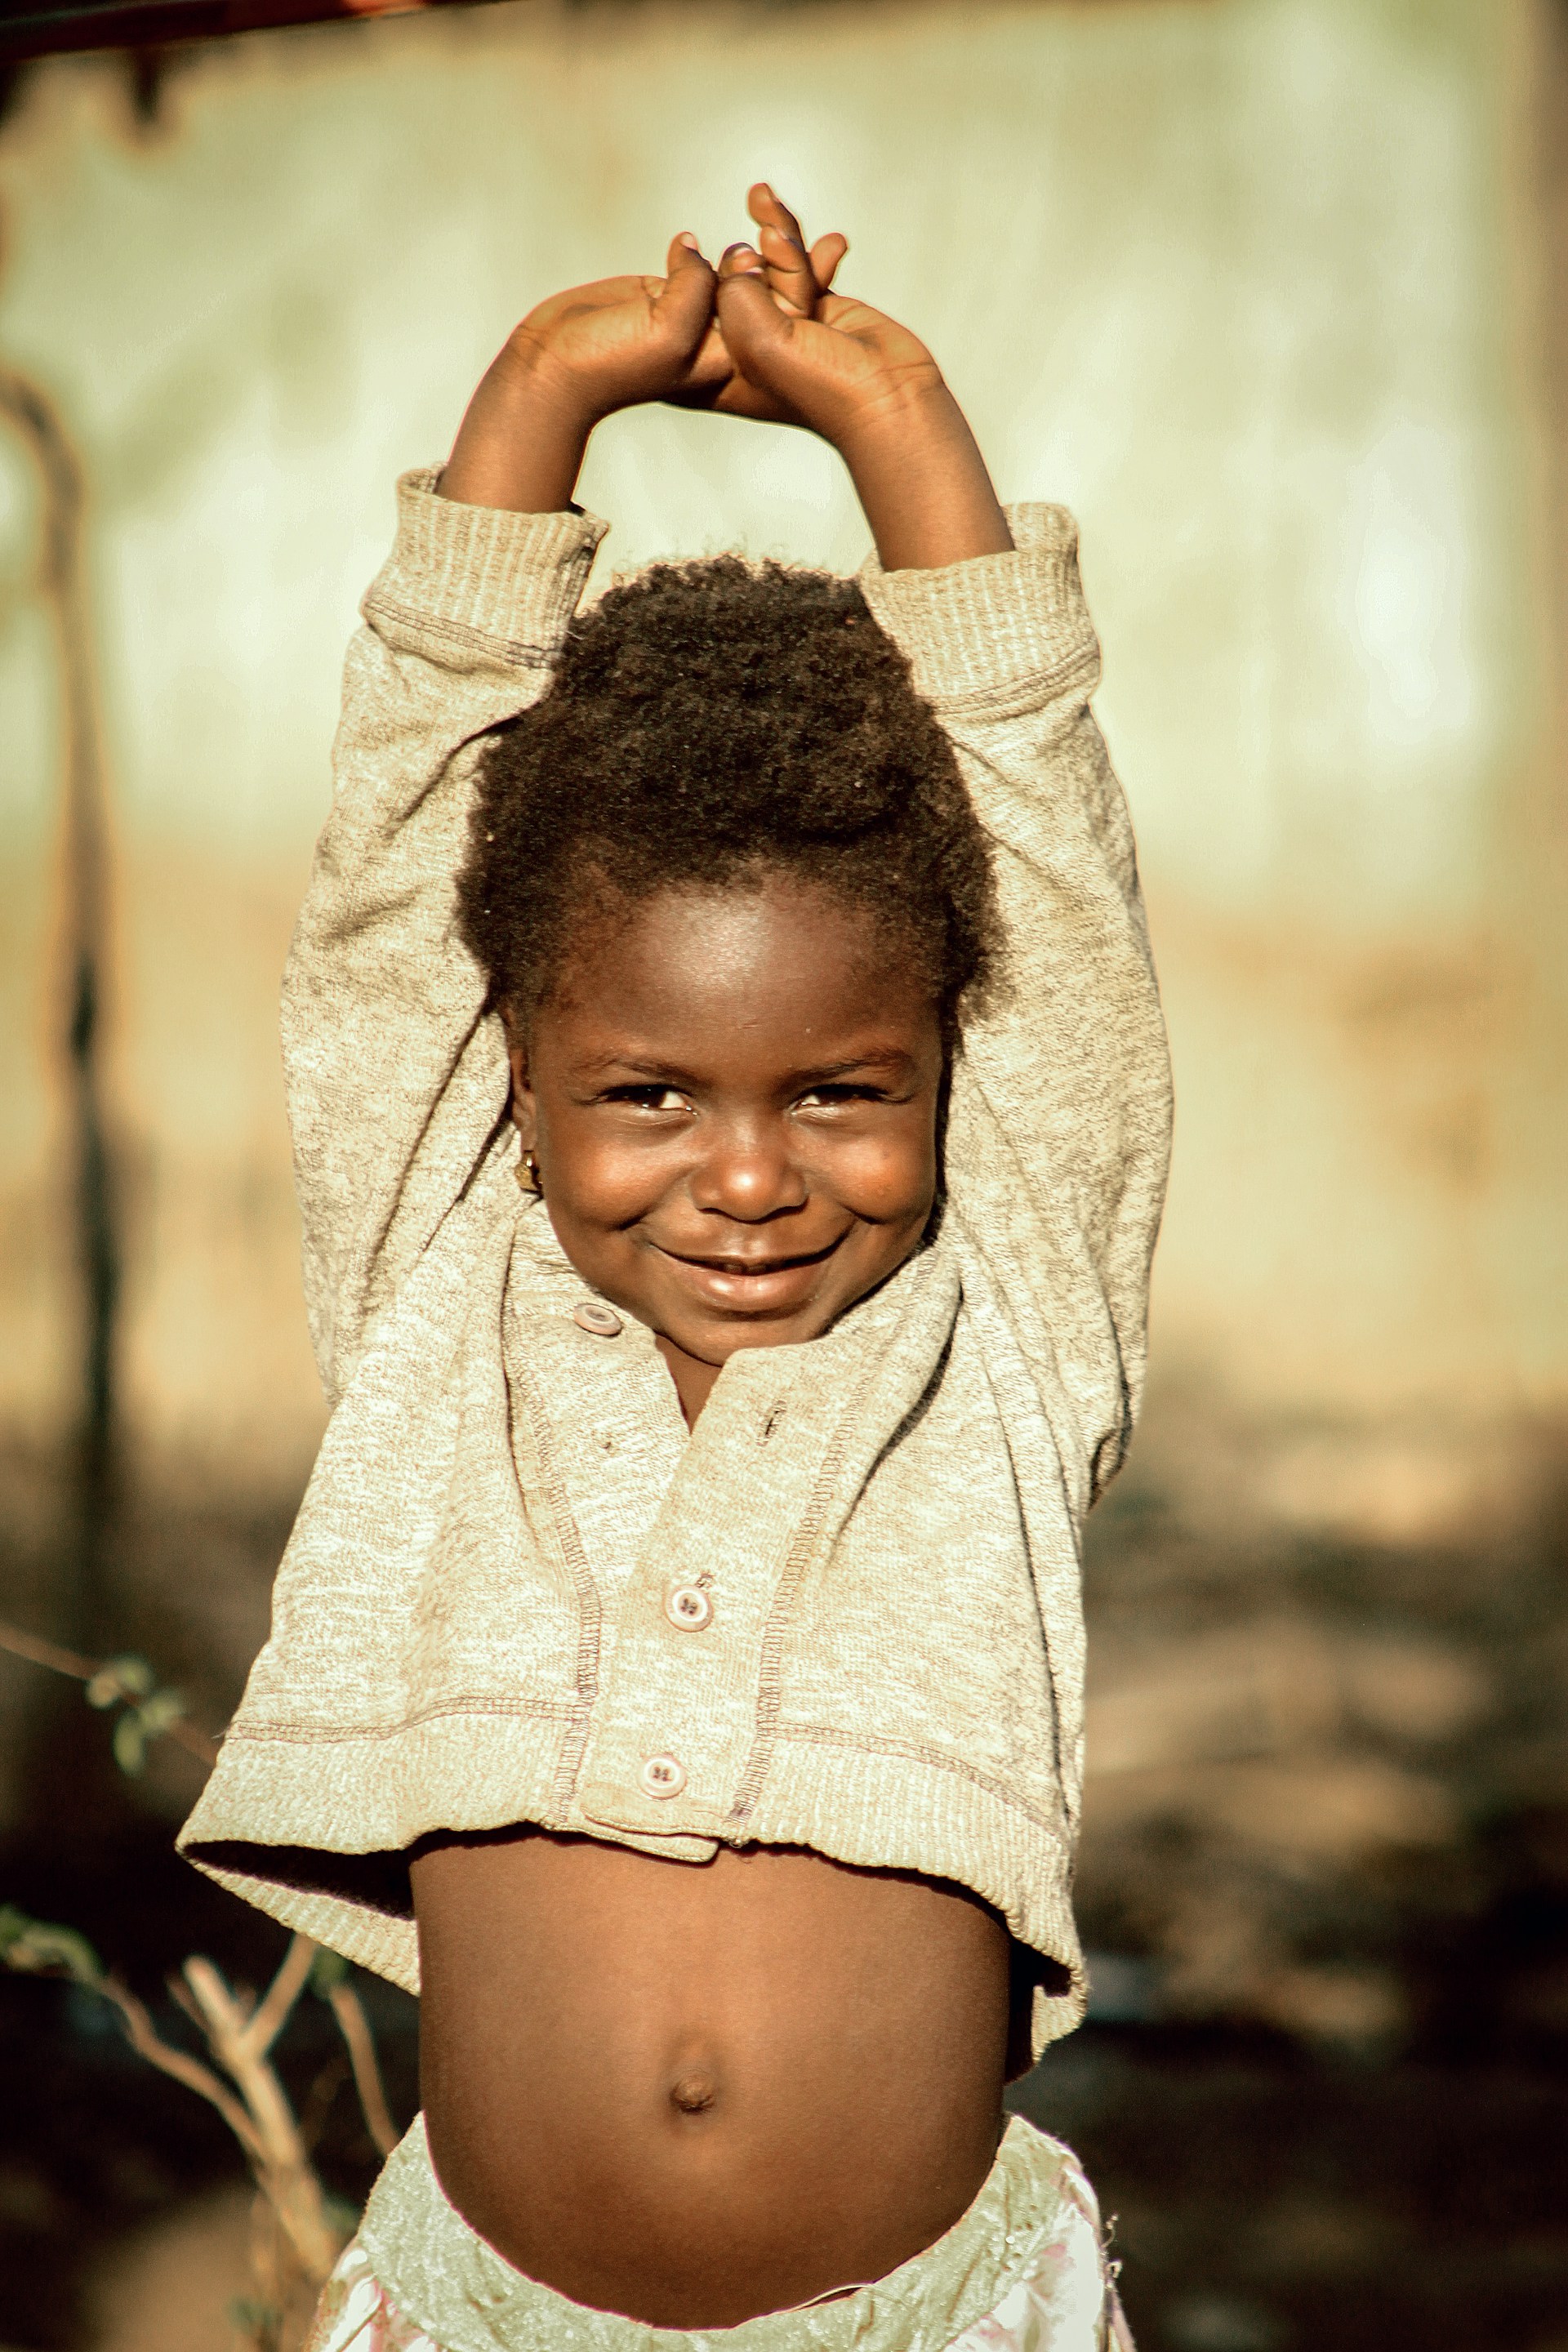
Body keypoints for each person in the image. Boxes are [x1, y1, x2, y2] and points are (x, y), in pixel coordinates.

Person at [180, 184, 1169, 2352]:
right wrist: (545, 395)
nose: (747, 1175)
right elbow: (390, 872)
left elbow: (1061, 900)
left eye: (839, 1091)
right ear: (519, 1078)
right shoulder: (447, 1292)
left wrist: (897, 424)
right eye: (649, 1098)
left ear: (943, 1074)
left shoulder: (999, 1333)